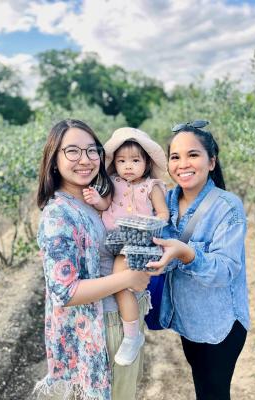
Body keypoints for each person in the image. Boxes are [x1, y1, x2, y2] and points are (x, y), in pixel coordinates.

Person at [34, 119, 150, 400]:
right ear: (54, 160)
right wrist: (128, 278)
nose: (85, 160)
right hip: (102, 327)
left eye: (91, 150)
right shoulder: (58, 214)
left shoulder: (92, 201)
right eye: (72, 151)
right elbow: (65, 291)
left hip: (117, 319)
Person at [147, 120, 250, 400]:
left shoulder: (227, 207)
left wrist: (186, 253)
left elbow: (226, 270)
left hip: (220, 324)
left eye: (193, 154)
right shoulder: (165, 201)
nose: (183, 164)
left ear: (211, 161)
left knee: (214, 392)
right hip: (188, 320)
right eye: (175, 157)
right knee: (202, 388)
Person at [82, 127, 169, 366]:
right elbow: (105, 204)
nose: (127, 166)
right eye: (121, 161)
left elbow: (163, 213)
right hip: (112, 241)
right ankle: (126, 331)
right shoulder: (112, 182)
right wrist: (96, 200)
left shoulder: (152, 187)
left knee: (121, 285)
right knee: (115, 282)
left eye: (134, 160)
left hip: (136, 241)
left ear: (146, 162)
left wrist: (149, 224)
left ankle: (132, 335)